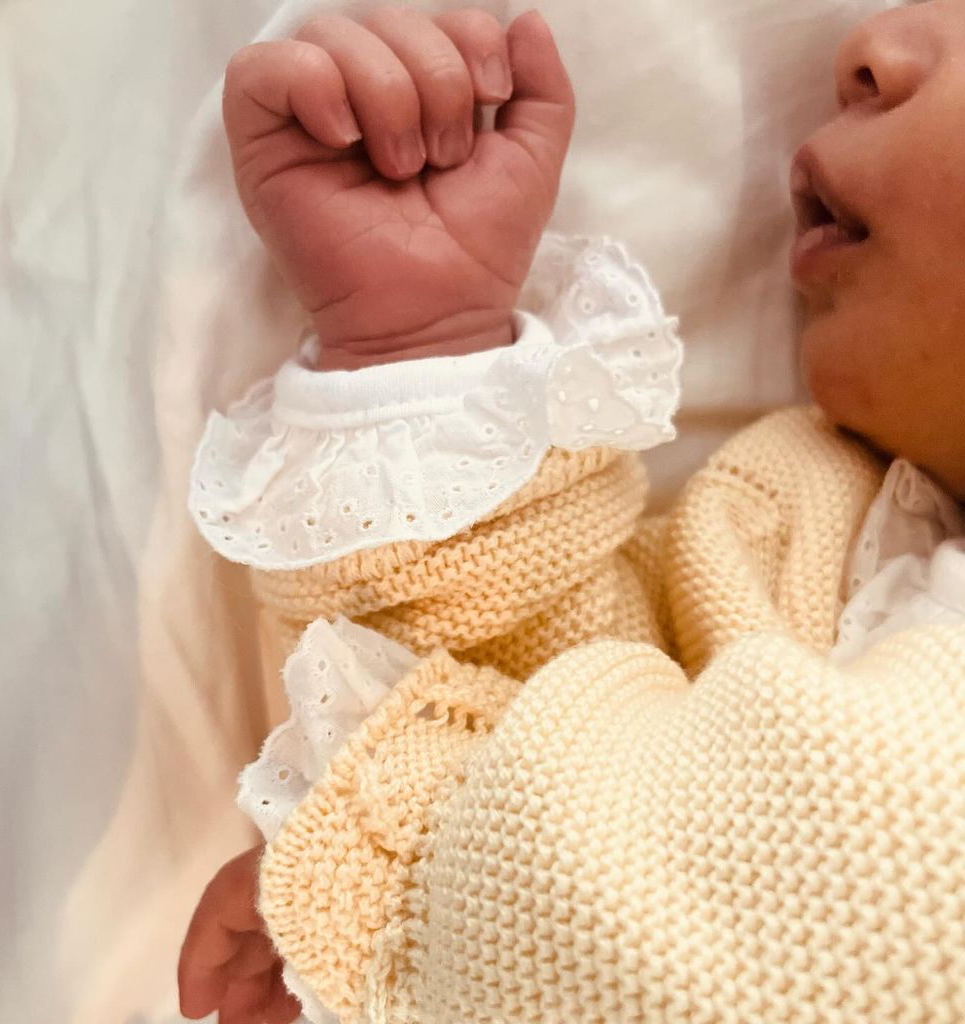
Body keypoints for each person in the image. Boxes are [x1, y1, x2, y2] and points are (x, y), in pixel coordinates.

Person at [178, 4, 965, 1022]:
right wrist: (424, 342)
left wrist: (417, 865)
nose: (870, 46)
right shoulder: (824, 526)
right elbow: (566, 715)